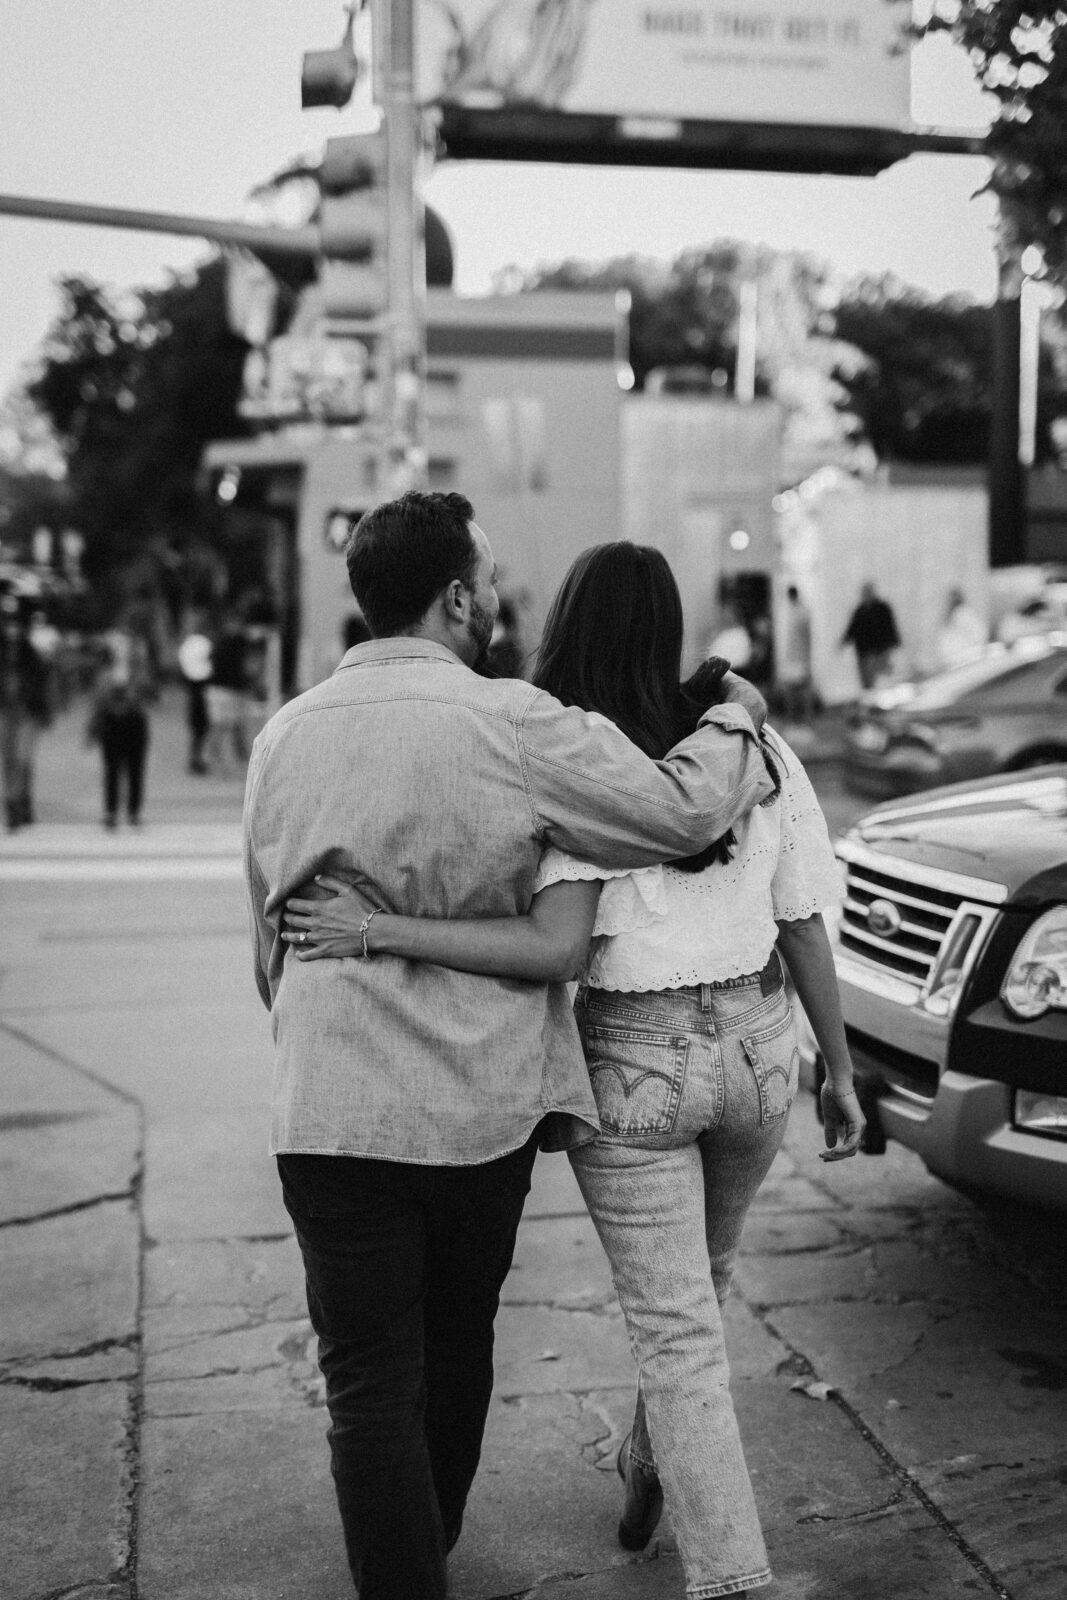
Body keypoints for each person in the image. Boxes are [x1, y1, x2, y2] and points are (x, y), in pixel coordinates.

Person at [282, 541, 865, 1600]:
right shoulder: (731, 742)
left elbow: (552, 941)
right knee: (694, 1295)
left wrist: (367, 935)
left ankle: (726, 1574)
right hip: (755, 1045)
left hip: (626, 1059)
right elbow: (802, 915)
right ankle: (652, 1472)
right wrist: (839, 1063)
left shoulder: (554, 749)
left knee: (670, 1324)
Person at [0, 589, 53, 830]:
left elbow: (43, 686)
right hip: (5, 713)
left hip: (26, 714)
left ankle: (21, 802)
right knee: (10, 760)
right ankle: (13, 803)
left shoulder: (31, 656)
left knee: (23, 759)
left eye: (15, 625)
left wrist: (44, 712)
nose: (12, 630)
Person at [86, 637, 151, 828]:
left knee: (135, 770)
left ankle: (134, 811)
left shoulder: (138, 673)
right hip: (111, 724)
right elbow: (98, 701)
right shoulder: (104, 675)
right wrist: (91, 729)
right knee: (111, 770)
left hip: (134, 724)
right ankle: (111, 811)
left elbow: (147, 693)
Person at [840, 581, 901, 691]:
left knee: (882, 679)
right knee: (867, 682)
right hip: (864, 652)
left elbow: (890, 626)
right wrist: (843, 642)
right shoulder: (860, 610)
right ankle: (870, 700)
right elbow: (852, 628)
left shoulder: (882, 609)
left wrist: (894, 643)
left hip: (879, 651)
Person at [177, 613, 213, 774]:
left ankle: (196, 758)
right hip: (202, 687)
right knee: (201, 727)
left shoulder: (189, 644)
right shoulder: (204, 644)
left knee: (197, 728)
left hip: (193, 687)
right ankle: (198, 759)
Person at [777, 584, 814, 723]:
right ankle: (792, 717)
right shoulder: (791, 611)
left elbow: (806, 636)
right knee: (790, 689)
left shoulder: (801, 612)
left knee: (802, 689)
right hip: (792, 656)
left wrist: (807, 659)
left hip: (799, 656)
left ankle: (805, 717)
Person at [934, 586, 986, 671]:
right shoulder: (949, 620)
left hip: (968, 659)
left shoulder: (963, 613)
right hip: (956, 661)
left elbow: (978, 634)